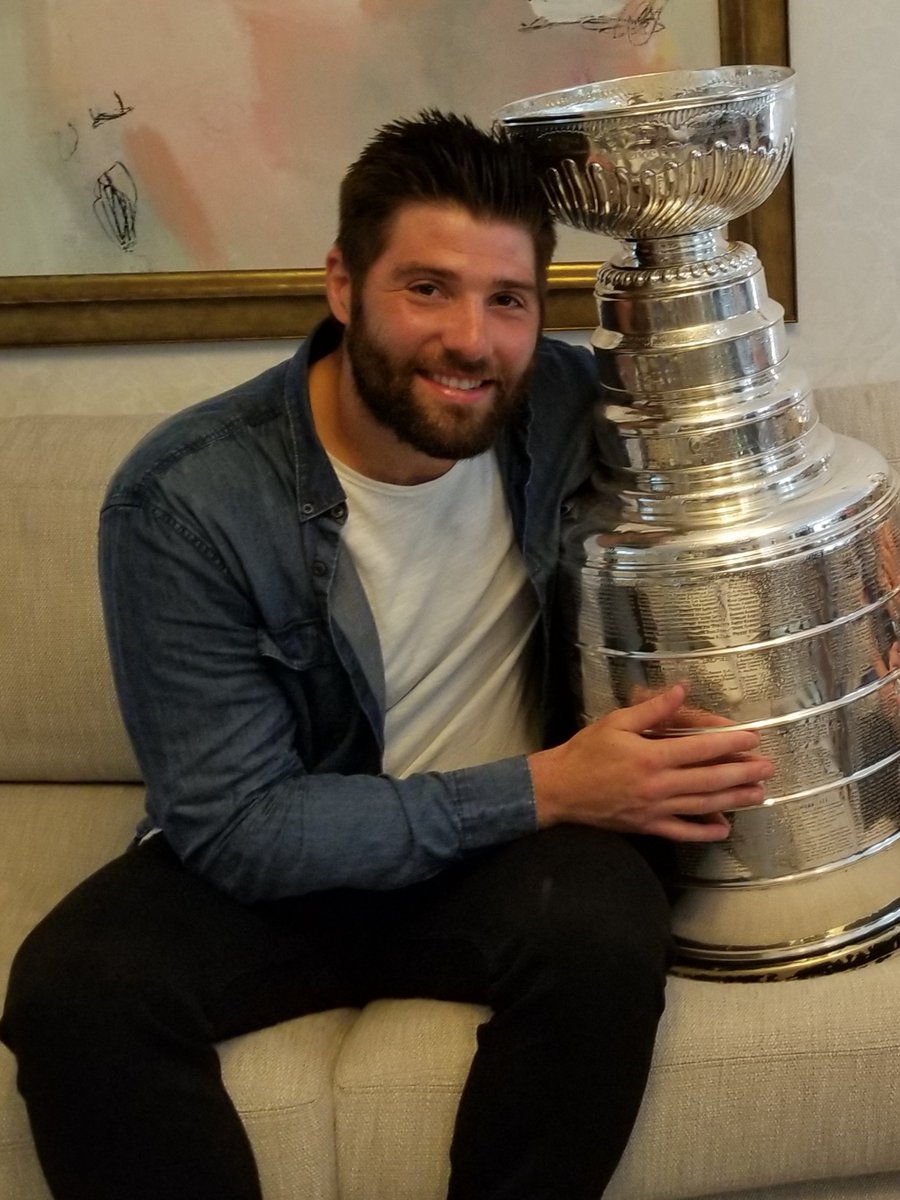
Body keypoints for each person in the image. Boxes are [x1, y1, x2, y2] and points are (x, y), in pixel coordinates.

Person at [0, 110, 772, 1200]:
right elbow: (236, 825)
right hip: (298, 858)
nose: (470, 337)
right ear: (342, 284)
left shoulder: (564, 403)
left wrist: (871, 572)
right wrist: (546, 786)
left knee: (601, 936)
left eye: (506, 299)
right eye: (427, 288)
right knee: (71, 992)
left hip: (511, 868)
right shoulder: (184, 500)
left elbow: (750, 476)